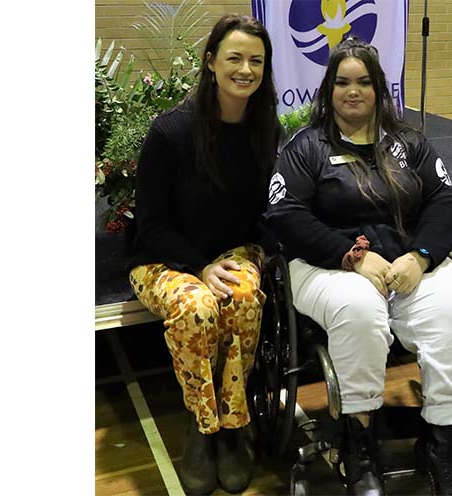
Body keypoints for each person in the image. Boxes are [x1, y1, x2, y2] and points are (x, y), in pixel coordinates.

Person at [266, 37, 452, 496]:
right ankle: (359, 447)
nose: (353, 91)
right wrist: (352, 256)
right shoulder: (306, 148)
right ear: (329, 89)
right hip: (327, 266)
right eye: (342, 82)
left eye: (363, 82)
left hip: (406, 263)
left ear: (379, 89)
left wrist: (421, 256)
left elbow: (442, 203)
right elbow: (286, 216)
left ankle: (446, 448)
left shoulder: (410, 144)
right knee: (359, 310)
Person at [127, 13, 281, 496]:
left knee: (245, 297)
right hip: (164, 257)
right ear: (211, 61)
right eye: (234, 58)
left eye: (256, 61)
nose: (245, 69)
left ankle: (233, 425)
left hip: (231, 250)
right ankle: (201, 425)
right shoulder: (171, 132)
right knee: (196, 306)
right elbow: (150, 223)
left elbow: (261, 209)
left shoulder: (264, 127)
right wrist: (200, 265)